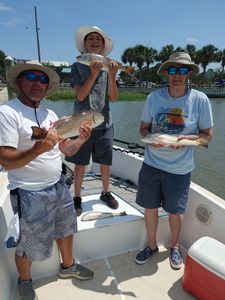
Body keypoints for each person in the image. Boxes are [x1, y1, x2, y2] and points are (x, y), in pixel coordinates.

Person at [0, 61, 94, 300]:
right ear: (19, 81)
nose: (37, 83)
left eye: (42, 80)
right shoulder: (8, 113)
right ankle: (25, 280)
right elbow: (6, 161)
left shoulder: (50, 114)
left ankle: (68, 266)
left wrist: (80, 140)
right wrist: (39, 149)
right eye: (31, 77)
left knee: (66, 228)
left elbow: (66, 150)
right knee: (28, 242)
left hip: (59, 185)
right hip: (29, 192)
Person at [135, 52, 214, 270]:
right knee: (149, 208)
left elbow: (207, 137)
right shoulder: (154, 98)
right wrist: (150, 142)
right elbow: (143, 130)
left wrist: (189, 140)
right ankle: (151, 246)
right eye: (172, 70)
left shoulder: (200, 100)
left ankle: (175, 247)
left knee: (175, 211)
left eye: (181, 70)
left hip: (180, 169)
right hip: (151, 165)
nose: (176, 75)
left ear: (189, 73)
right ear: (167, 74)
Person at [65, 26, 119, 216]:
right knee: (80, 163)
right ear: (84, 44)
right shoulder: (77, 65)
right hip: (81, 125)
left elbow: (113, 98)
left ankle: (106, 192)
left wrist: (112, 74)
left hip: (105, 124)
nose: (95, 41)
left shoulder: (108, 66)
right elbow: (80, 96)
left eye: (99, 39)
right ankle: (77, 197)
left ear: (103, 45)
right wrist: (94, 74)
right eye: (91, 39)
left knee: (105, 162)